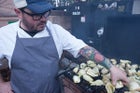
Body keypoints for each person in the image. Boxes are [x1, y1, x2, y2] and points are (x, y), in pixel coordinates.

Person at [0, 0, 129, 93]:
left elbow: (83, 49)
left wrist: (111, 67)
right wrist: (1, 84)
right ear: (19, 13)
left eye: (46, 13)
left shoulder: (56, 31)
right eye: (37, 15)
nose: (44, 19)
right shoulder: (5, 34)